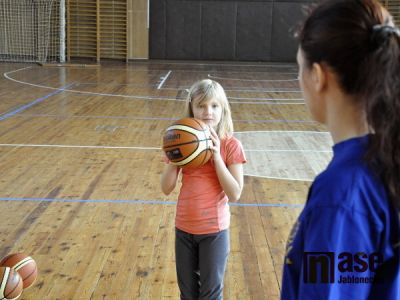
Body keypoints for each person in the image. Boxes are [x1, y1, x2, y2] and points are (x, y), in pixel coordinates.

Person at [281, 0, 400, 299]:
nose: (299, 80)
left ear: (318, 76)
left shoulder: (342, 194)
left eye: (300, 69)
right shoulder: (385, 158)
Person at [161, 79, 246, 299]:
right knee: (187, 294)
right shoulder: (181, 141)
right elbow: (166, 188)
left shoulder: (230, 145)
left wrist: (216, 156)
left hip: (214, 231)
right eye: (201, 106)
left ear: (223, 109)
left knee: (210, 294)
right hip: (184, 227)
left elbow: (235, 193)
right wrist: (175, 158)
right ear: (192, 109)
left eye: (214, 106)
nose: (208, 111)